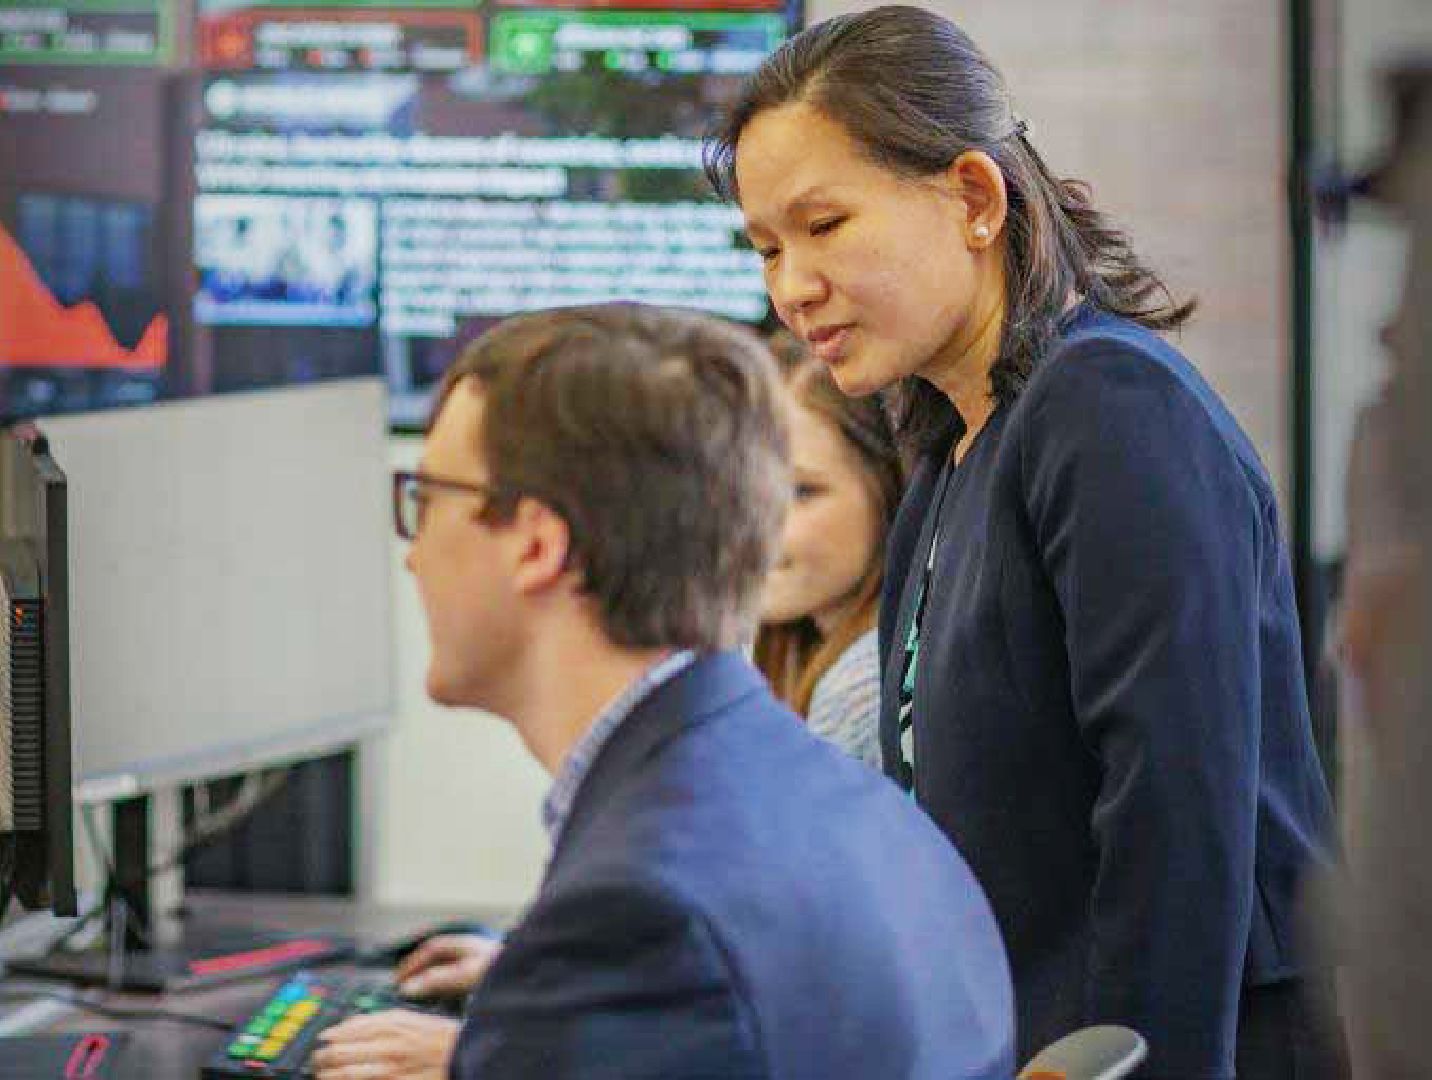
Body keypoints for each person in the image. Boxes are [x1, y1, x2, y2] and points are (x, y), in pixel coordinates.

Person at [707, 7, 1341, 1075]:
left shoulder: (1107, 407)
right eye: (767, 246)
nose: (791, 285)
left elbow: (1176, 823)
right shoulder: (954, 457)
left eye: (824, 226)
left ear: (971, 198)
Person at [312, 303, 1013, 1080]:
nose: (413, 557)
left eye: (428, 498)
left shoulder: (639, 912)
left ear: (539, 545)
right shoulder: (831, 792)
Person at [753, 333, 904, 768]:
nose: (754, 522)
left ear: (891, 489)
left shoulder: (863, 691)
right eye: (742, 486)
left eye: (801, 491)